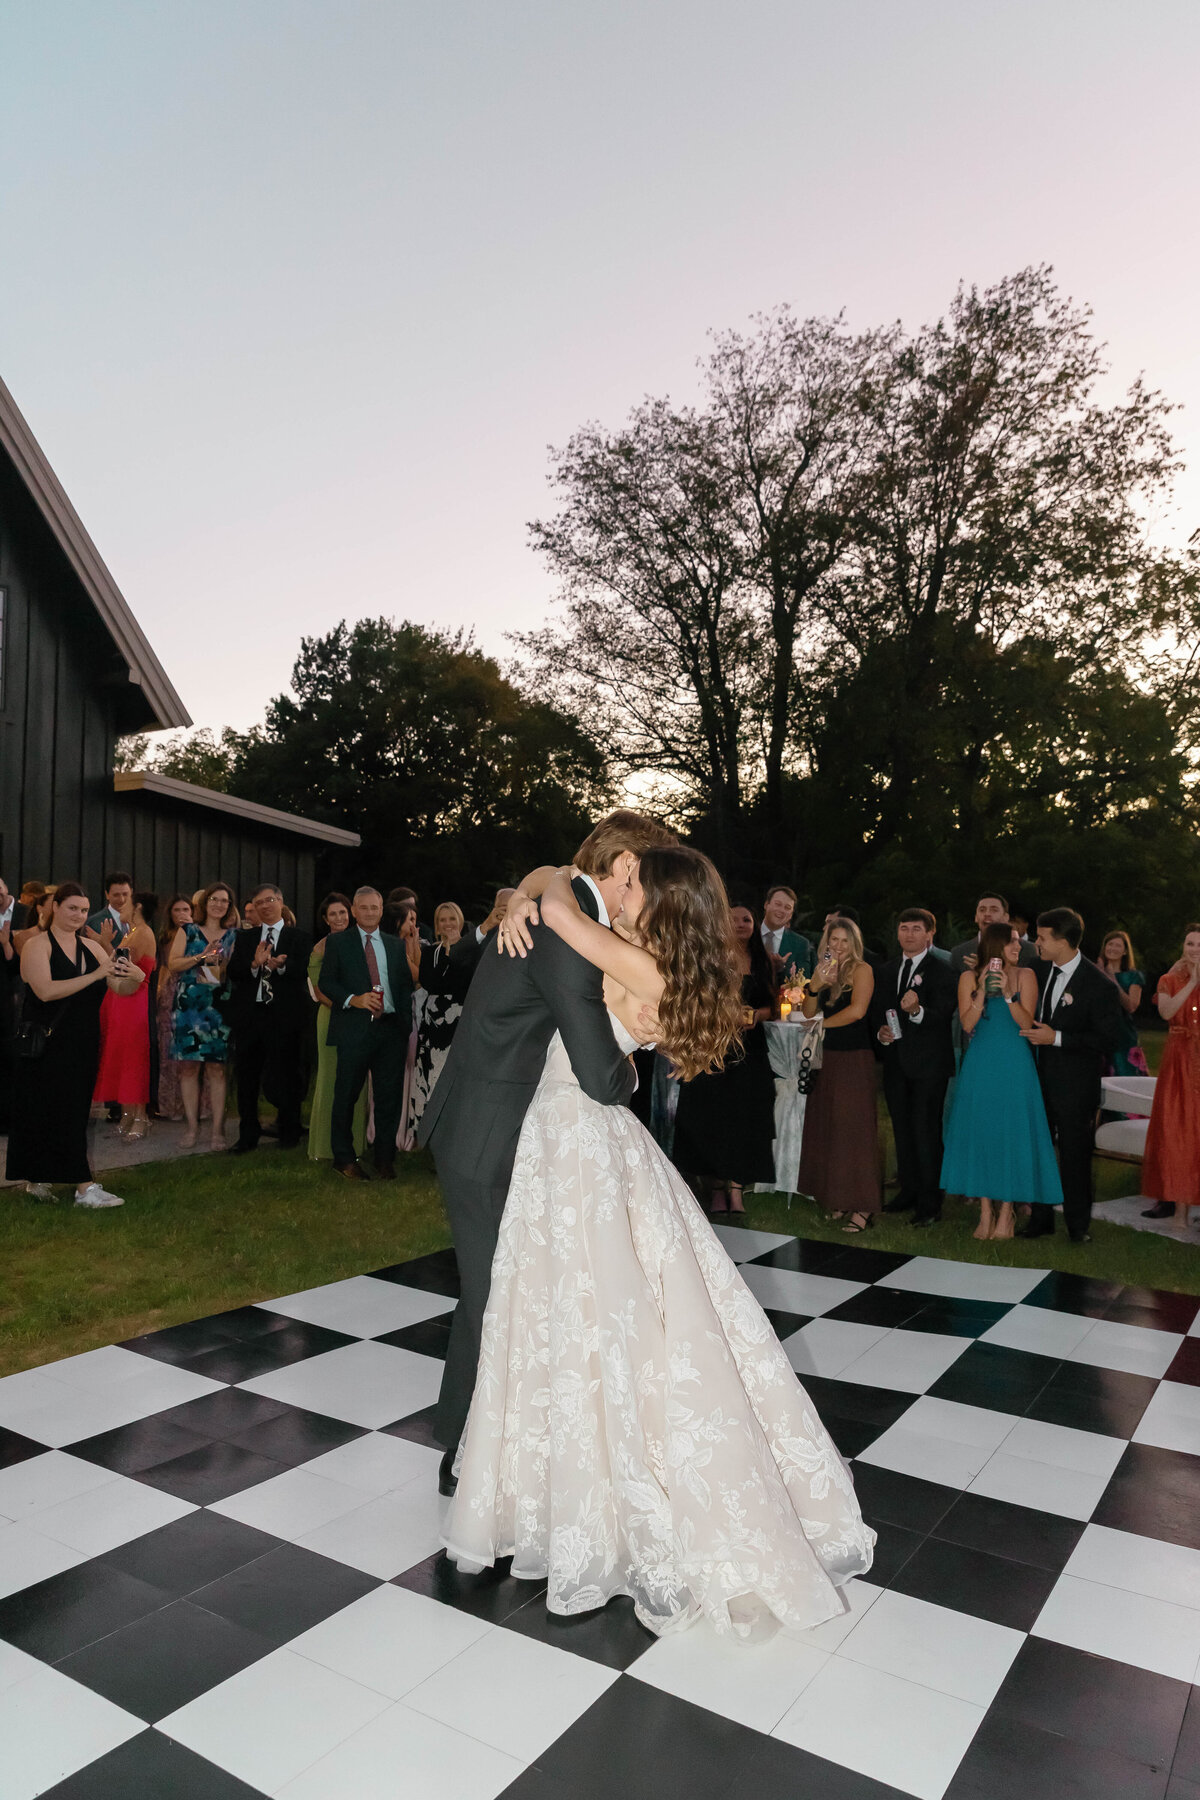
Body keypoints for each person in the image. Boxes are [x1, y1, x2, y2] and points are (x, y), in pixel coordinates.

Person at [444, 845, 874, 1638]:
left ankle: (596, 1501)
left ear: (658, 899)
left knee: (595, 1318)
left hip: (575, 1140)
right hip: (568, 1141)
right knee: (564, 1313)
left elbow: (563, 905)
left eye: (634, 882)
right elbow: (553, 886)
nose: (622, 888)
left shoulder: (629, 958)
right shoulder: (654, 958)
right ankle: (553, 1483)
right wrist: (524, 891)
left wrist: (533, 894)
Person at [418, 810, 677, 1495]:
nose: (648, 901)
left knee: (495, 1291)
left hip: (497, 1124)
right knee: (495, 1295)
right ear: (625, 868)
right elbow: (597, 1073)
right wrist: (633, 1065)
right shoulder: (565, 930)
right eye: (649, 882)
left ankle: (465, 1441)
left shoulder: (559, 908)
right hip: (485, 1132)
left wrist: (539, 884)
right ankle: (472, 1451)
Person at [7, 882, 145, 1207]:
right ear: (54, 907)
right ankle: (84, 1188)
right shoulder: (36, 945)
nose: (79, 915)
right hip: (45, 1042)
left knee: (70, 1111)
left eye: (83, 910)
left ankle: (39, 1178)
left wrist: (135, 977)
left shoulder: (92, 948)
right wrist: (97, 975)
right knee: (48, 1111)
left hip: (81, 1041)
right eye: (72, 908)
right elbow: (45, 991)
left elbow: (118, 987)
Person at [941, 923, 1063, 1240]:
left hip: (1014, 1061)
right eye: (1011, 942)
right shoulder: (969, 977)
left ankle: (1007, 1212)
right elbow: (967, 1025)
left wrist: (1009, 997)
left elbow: (1027, 1023)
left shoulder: (1026, 976)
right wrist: (981, 990)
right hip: (980, 1062)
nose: (1018, 946)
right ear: (995, 945)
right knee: (981, 1131)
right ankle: (985, 1212)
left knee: (1011, 1132)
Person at [1019, 907, 1123, 1244]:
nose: (1037, 943)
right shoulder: (1035, 968)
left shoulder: (1099, 985)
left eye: (1043, 937)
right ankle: (1040, 1217)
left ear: (1063, 941)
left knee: (1075, 1155)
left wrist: (1058, 1038)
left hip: (1076, 1084)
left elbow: (1109, 1039)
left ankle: (1078, 1226)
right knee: (1038, 1148)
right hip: (1037, 1078)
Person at [673, 899, 777, 1214]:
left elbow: (774, 1006)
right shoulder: (709, 958)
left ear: (754, 925)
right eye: (732, 919)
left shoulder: (764, 961)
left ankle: (736, 1190)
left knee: (744, 1117)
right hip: (713, 1043)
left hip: (751, 1048)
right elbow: (693, 997)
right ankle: (715, 1188)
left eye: (746, 919)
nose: (739, 924)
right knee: (711, 1115)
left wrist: (754, 1016)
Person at [317, 886, 415, 1179]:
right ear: (354, 911)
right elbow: (326, 983)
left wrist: (403, 1025)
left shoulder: (394, 945)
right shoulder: (338, 943)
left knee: (388, 1098)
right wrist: (354, 999)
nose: (370, 912)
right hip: (354, 1028)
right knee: (346, 1095)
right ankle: (344, 1158)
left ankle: (385, 1159)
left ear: (382, 910)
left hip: (390, 1031)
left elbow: (404, 986)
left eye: (375, 907)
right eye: (364, 907)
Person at [870, 908, 958, 1227]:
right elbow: (878, 1011)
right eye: (904, 927)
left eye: (916, 928)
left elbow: (944, 1014)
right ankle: (907, 1191)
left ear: (929, 934)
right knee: (902, 1130)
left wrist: (918, 1010)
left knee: (926, 1132)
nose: (909, 933)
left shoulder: (944, 971)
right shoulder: (887, 969)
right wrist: (880, 1032)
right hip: (895, 1064)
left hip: (930, 1066)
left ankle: (930, 1202)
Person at [797, 918, 880, 1231]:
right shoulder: (823, 970)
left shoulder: (862, 970)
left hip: (854, 1058)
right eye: (834, 940)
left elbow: (857, 1011)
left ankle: (864, 1206)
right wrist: (815, 985)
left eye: (845, 941)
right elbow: (807, 1011)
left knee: (854, 1132)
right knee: (830, 1128)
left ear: (854, 944)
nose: (839, 946)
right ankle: (838, 1198)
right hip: (826, 1057)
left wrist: (821, 1026)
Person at [226, 884, 313, 1153]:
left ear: (281, 902)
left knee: (287, 1075)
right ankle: (248, 1135)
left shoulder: (297, 937)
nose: (265, 905)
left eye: (270, 900)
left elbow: (305, 969)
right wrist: (254, 965)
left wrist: (282, 966)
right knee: (248, 1078)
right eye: (259, 902)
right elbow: (234, 972)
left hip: (285, 1018)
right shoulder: (245, 938)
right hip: (252, 1018)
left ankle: (289, 1132)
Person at [169, 882, 238, 1149]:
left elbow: (237, 969)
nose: (219, 904)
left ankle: (217, 1131)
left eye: (224, 901)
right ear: (205, 903)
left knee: (217, 1070)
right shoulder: (188, 930)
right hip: (189, 1007)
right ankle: (192, 1128)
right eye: (215, 899)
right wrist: (201, 956)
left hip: (218, 1006)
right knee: (188, 1068)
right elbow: (173, 963)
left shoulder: (234, 936)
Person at [1139, 926, 1200, 1230]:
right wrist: (1193, 984)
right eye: (1190, 943)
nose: (1194, 950)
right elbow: (1166, 1012)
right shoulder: (1169, 979)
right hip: (1179, 1062)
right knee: (1180, 1131)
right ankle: (1179, 1214)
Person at [306, 892, 367, 1164]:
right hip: (332, 1018)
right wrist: (354, 1004)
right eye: (333, 914)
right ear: (325, 919)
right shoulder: (320, 948)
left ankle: (356, 1144)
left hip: (360, 1018)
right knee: (331, 1080)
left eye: (343, 912)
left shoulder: (362, 943)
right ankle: (324, 1147)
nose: (339, 918)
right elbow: (322, 993)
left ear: (351, 913)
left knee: (358, 1082)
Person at [93, 890, 158, 1138]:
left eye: (127, 902)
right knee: (121, 1055)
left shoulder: (142, 933)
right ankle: (129, 1113)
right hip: (121, 999)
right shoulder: (132, 932)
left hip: (134, 1001)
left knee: (133, 1056)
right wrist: (106, 942)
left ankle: (141, 1116)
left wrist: (102, 944)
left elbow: (120, 964)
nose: (122, 905)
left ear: (138, 906)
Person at [408, 901, 469, 1137]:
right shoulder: (430, 952)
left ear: (460, 921)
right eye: (442, 920)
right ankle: (432, 1135)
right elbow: (431, 983)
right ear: (437, 925)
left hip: (461, 1022)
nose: (448, 924)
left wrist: (455, 950)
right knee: (433, 1079)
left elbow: (463, 984)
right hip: (434, 1026)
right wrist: (445, 953)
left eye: (452, 919)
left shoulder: (472, 950)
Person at [153, 894, 194, 1121]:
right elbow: (164, 968)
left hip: (191, 992)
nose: (181, 914)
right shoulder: (165, 937)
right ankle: (170, 1105)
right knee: (168, 1050)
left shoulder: (197, 933)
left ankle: (192, 1105)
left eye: (185, 909)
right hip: (169, 992)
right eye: (177, 910)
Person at [1096, 929, 1148, 1079]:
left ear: (1125, 951)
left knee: (1125, 1078)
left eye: (1118, 946)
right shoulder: (1095, 971)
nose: (1113, 948)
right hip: (1099, 1032)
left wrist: (1112, 980)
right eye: (1110, 944)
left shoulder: (1133, 976)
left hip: (1123, 1034)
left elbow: (1131, 1006)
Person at [949, 893, 1038, 974]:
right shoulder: (959, 953)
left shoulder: (1028, 949)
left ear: (1006, 917)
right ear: (976, 917)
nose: (987, 914)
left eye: (994, 910)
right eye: (982, 910)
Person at [761, 885, 814, 981]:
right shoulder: (748, 934)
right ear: (766, 905)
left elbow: (804, 983)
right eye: (778, 904)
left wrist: (781, 969)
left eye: (787, 907)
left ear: (791, 915)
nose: (781, 910)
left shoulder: (800, 944)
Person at [87, 871, 134, 954]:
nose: (122, 900)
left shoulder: (138, 919)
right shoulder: (94, 922)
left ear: (131, 892)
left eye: (125, 894)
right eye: (116, 895)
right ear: (107, 895)